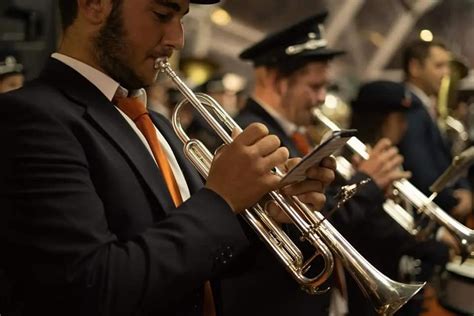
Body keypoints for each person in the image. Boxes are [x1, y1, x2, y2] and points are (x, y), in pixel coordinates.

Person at [0, 1, 337, 315]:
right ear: (94, 4)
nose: (177, 39)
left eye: (182, 18)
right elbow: (91, 287)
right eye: (162, 14)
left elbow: (196, 264)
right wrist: (221, 200)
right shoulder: (30, 117)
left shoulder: (156, 123)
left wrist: (266, 217)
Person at [219, 12, 412, 316]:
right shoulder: (251, 134)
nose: (322, 98)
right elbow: (305, 227)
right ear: (273, 80)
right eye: (314, 86)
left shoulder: (292, 133)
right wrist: (368, 184)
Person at [349, 80, 451, 316]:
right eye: (399, 119)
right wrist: (434, 245)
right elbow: (376, 227)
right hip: (370, 287)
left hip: (400, 270)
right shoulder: (355, 162)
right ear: (381, 121)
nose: (404, 127)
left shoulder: (389, 156)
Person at [399, 39, 472, 222]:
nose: (446, 73)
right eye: (439, 66)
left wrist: (466, 189)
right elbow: (421, 171)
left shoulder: (423, 107)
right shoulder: (409, 109)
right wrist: (455, 199)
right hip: (429, 214)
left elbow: (449, 161)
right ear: (415, 67)